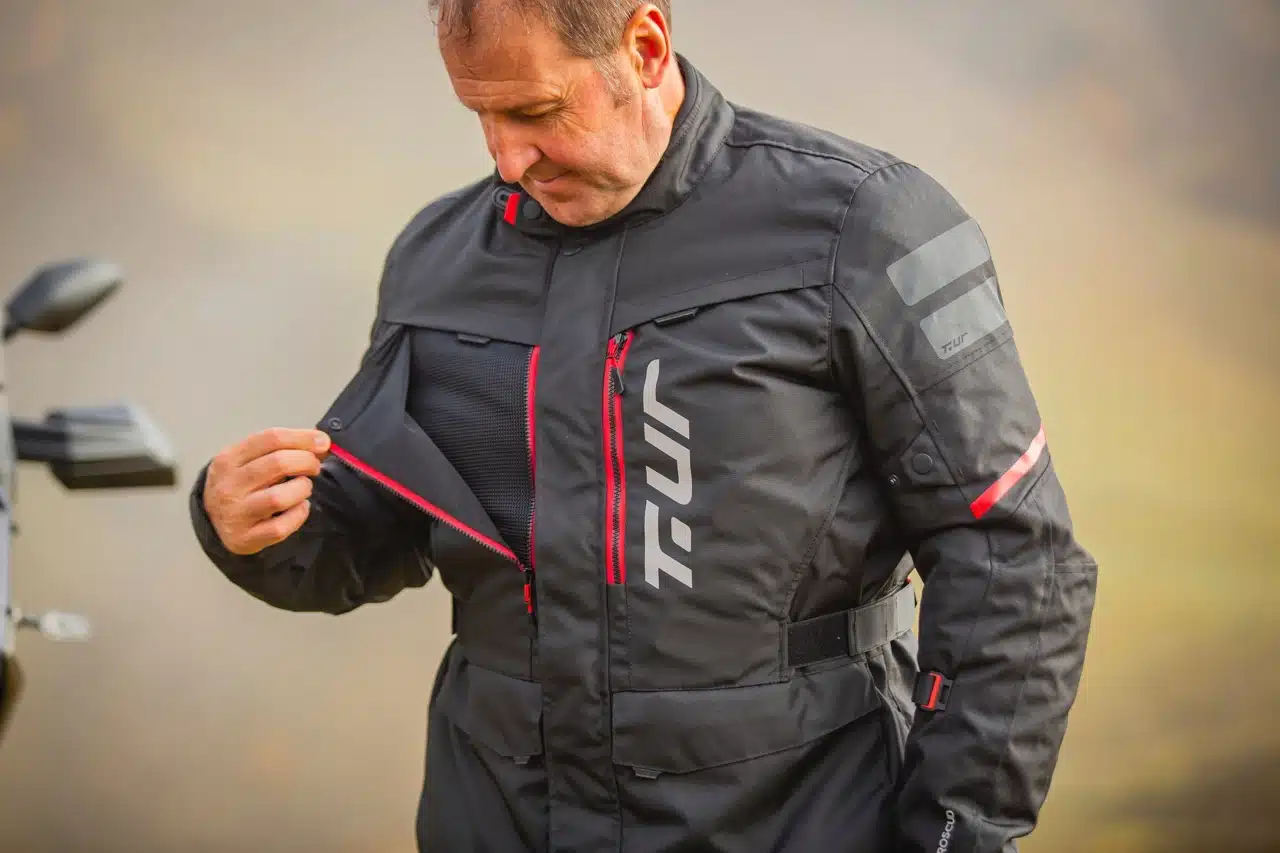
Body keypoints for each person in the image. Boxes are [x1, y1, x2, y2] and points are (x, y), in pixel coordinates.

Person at [188, 2, 1099, 851]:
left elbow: (1016, 558)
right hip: (494, 818)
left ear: (646, 46)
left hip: (799, 817)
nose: (507, 160)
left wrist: (954, 834)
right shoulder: (435, 260)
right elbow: (375, 533)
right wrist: (256, 524)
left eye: (536, 111)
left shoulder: (868, 227)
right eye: (482, 116)